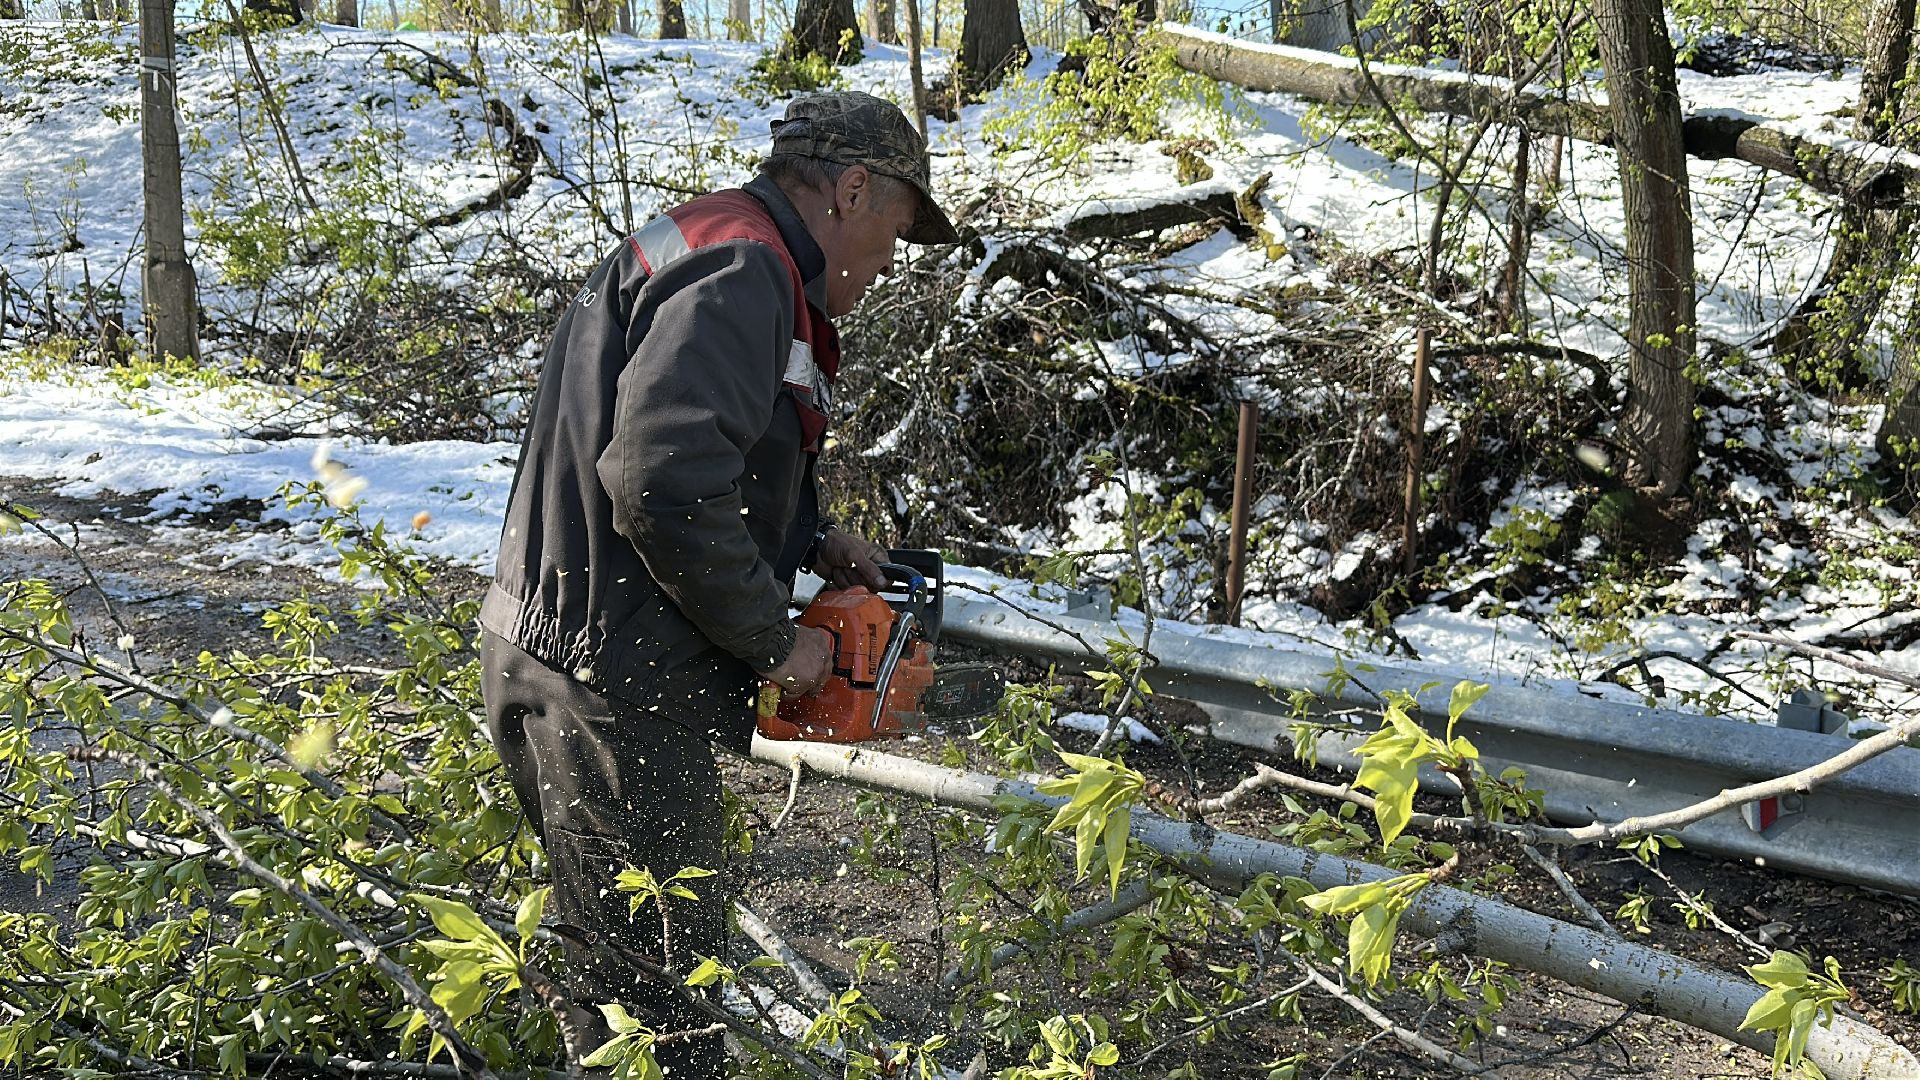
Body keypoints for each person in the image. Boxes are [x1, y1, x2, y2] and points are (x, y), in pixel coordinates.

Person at [477, 91, 959, 1076]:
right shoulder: (747, 268)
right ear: (852, 189)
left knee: (618, 974)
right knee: (662, 1011)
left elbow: (685, 443)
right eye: (896, 231)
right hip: (614, 685)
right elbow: (659, 480)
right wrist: (776, 643)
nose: (887, 264)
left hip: (570, 653)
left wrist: (812, 536)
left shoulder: (712, 238)